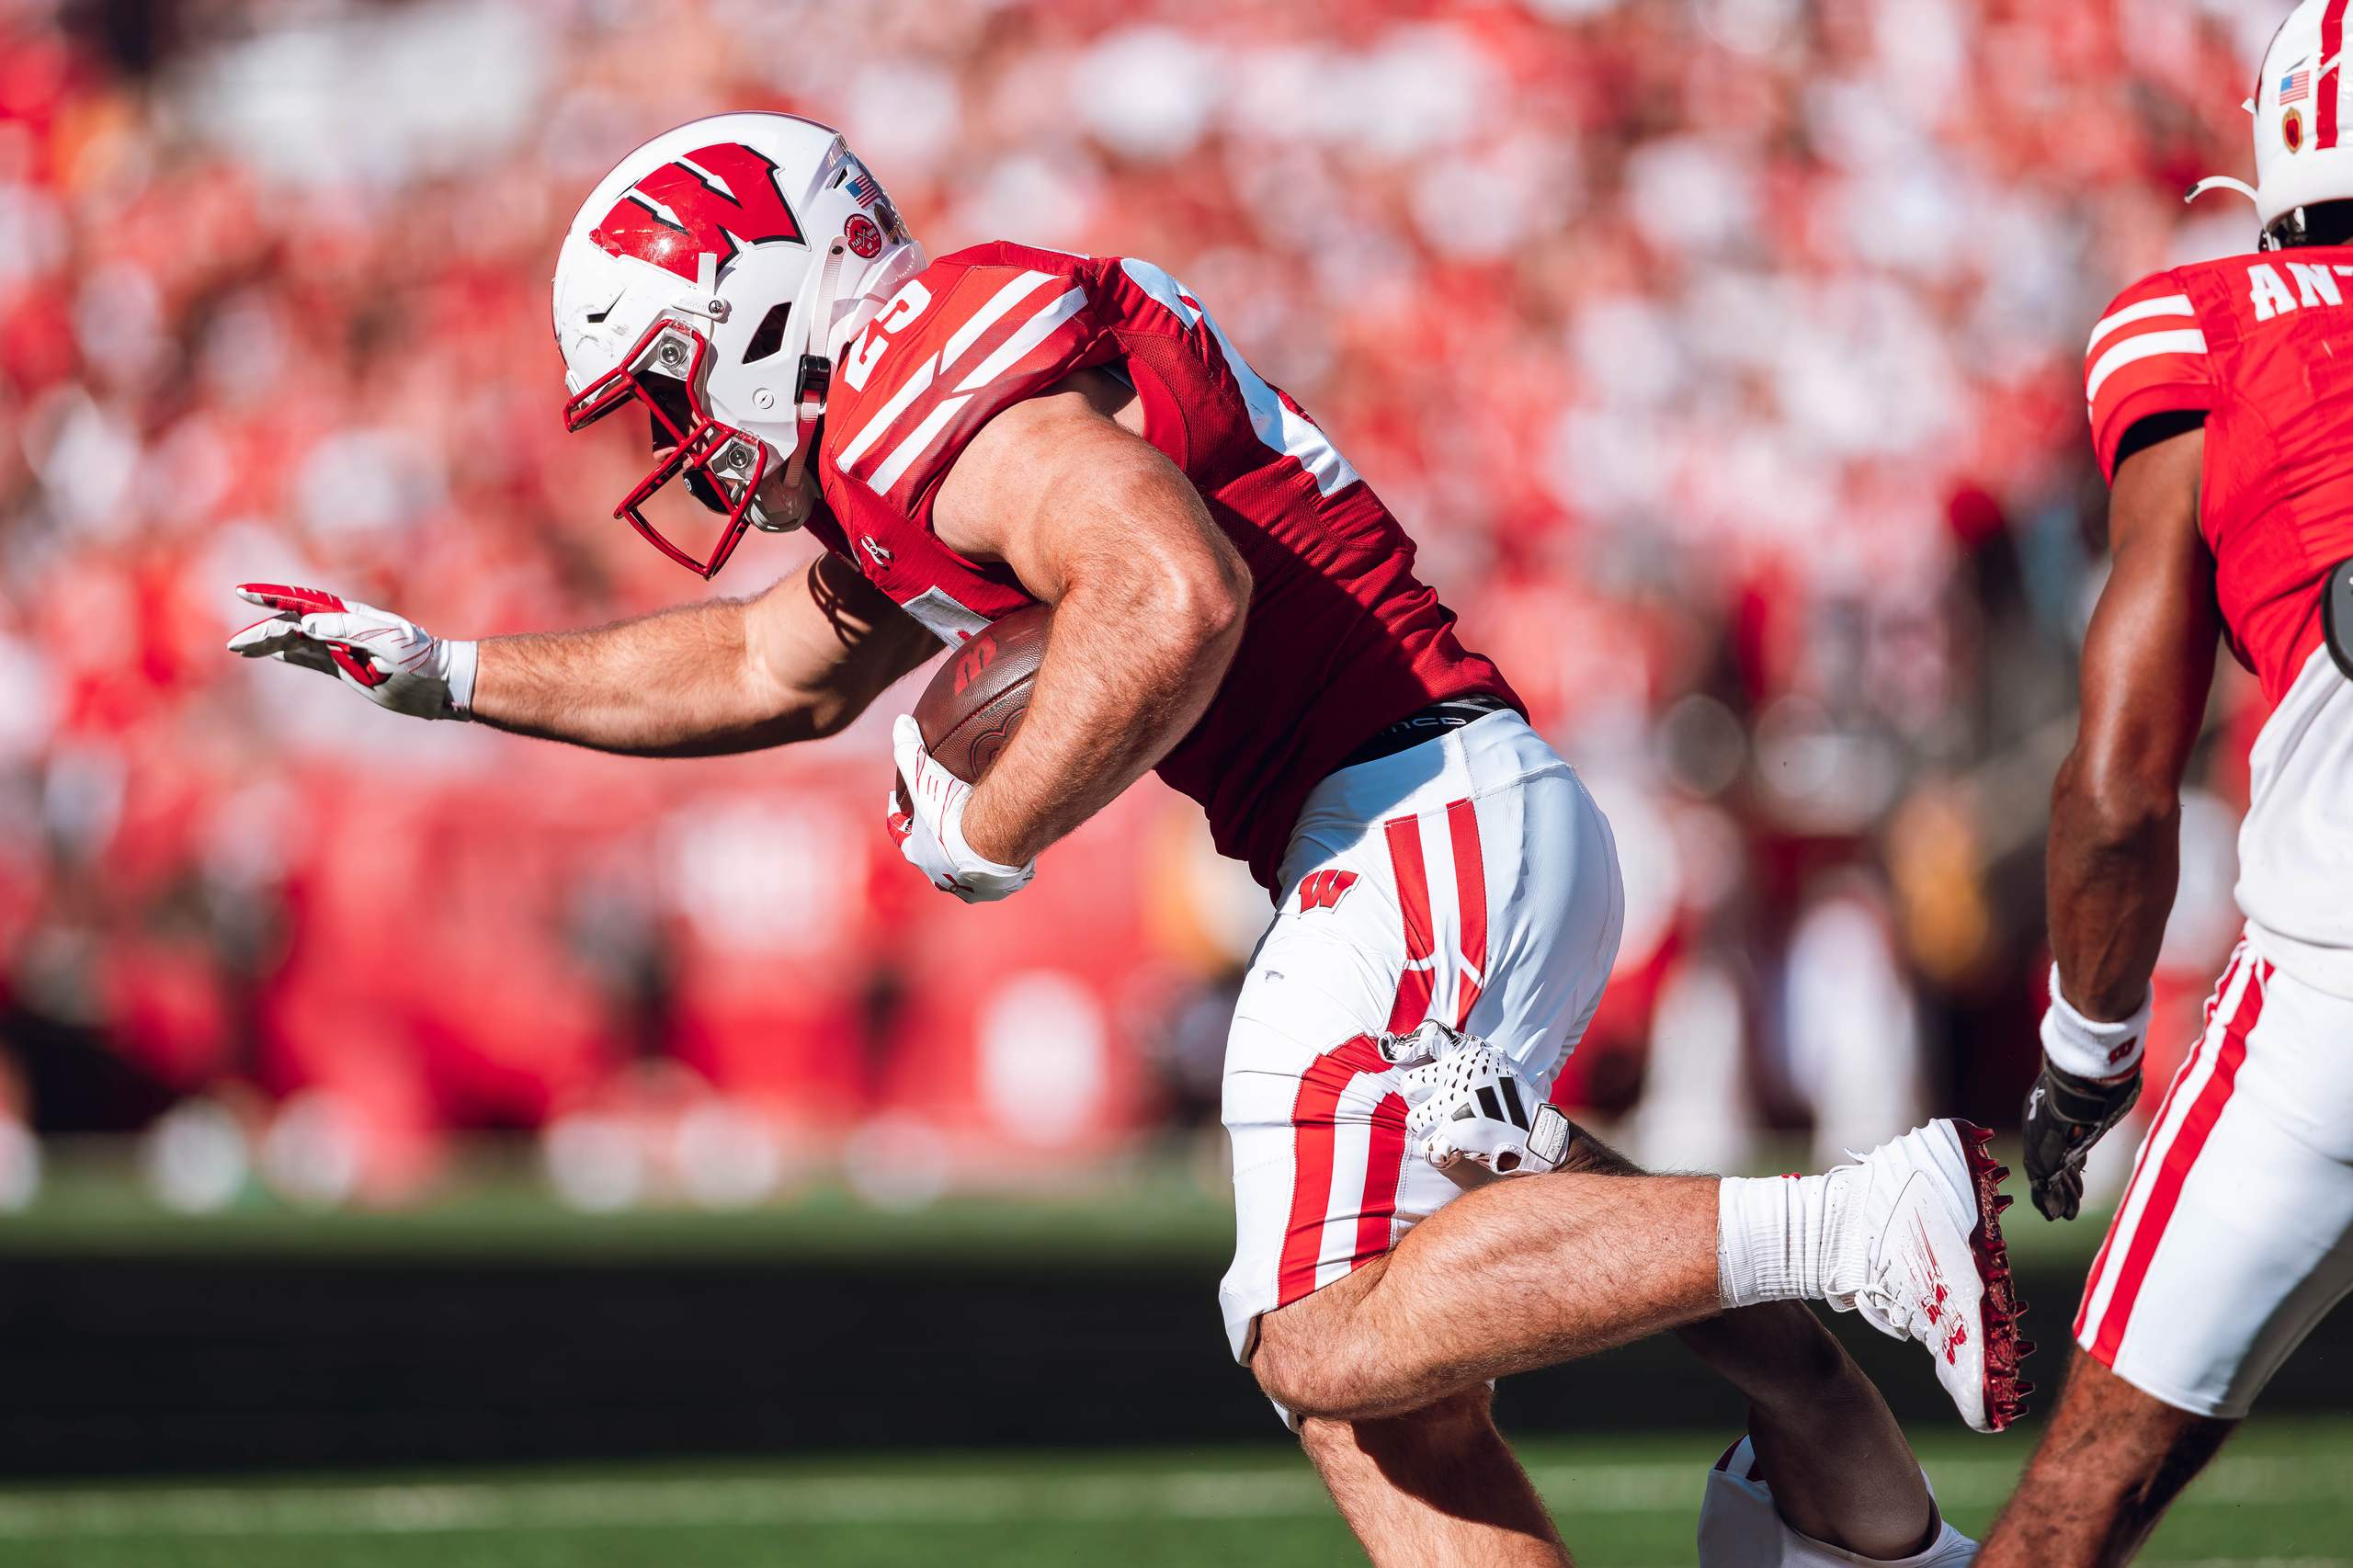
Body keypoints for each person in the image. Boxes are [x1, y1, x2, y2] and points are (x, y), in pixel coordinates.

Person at [230, 112, 2015, 1565]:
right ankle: (1854, 1502)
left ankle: (1855, 1218)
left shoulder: (940, 378)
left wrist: (990, 826)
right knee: (1378, 1386)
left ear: (768, 296)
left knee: (1311, 1326)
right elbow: (767, 666)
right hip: (1424, 815)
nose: (683, 444)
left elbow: (1170, 592)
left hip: (1405, 818)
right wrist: (448, 671)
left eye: (674, 378)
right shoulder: (924, 429)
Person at [1984, 5, 2353, 1562]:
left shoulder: (2216, 325)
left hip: (2332, 1007)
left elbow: (2125, 783)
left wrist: (2088, 1051)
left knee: (2076, 1511)